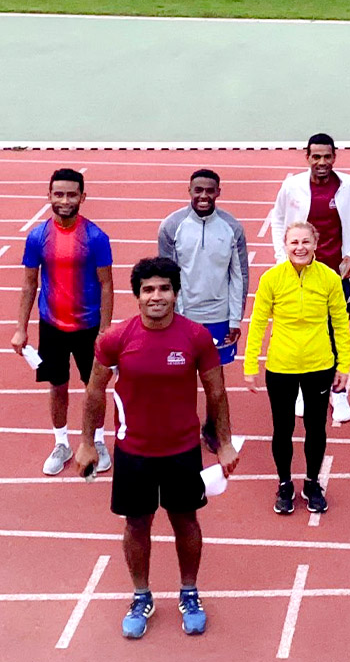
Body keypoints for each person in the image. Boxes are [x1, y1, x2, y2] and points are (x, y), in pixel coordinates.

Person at [74, 257, 240, 639]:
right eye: (148, 289)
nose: (156, 296)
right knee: (137, 524)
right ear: (137, 296)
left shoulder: (196, 337)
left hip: (182, 451)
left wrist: (225, 443)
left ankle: (189, 592)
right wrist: (85, 442)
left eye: (164, 288)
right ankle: (141, 596)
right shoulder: (115, 339)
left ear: (176, 293)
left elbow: (216, 391)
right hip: (134, 453)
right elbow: (94, 390)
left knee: (186, 521)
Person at [11, 168, 114, 475]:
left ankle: (97, 441)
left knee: (94, 387)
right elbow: (29, 284)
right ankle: (61, 443)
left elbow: (107, 284)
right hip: (51, 326)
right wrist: (20, 329)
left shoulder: (96, 237)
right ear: (49, 196)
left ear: (83, 197)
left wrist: (105, 330)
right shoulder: (37, 237)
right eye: (59, 194)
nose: (65, 200)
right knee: (57, 386)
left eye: (71, 194)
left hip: (89, 327)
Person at [245, 221, 350, 514]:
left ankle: (312, 483)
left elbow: (340, 323)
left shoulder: (329, 278)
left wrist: (344, 364)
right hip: (281, 367)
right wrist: (250, 364)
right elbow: (257, 323)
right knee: (283, 428)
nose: (300, 247)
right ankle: (284, 484)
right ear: (285, 245)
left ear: (315, 244)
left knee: (316, 427)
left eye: (305, 242)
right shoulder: (271, 279)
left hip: (319, 365)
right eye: (294, 242)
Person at [271, 133, 350, 423]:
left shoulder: (348, 186)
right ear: (307, 157)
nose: (322, 162)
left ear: (334, 157)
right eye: (316, 156)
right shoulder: (292, 186)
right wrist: (282, 259)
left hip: (337, 275)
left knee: (337, 331)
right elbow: (278, 220)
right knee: (302, 330)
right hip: (300, 274)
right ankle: (304, 388)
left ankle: (339, 392)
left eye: (327, 156)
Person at [158, 169, 249, 453]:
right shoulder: (172, 226)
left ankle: (213, 430)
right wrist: (173, 317)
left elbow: (239, 276)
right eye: (198, 190)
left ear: (218, 192)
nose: (204, 196)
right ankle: (180, 431)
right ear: (189, 191)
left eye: (210, 190)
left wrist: (235, 319)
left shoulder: (232, 228)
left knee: (215, 383)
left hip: (219, 318)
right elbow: (166, 277)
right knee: (179, 378)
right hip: (184, 318)